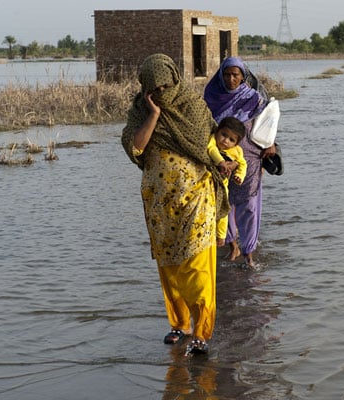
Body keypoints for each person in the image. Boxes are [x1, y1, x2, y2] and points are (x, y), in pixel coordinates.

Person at [121, 53, 230, 356]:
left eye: (165, 86)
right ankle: (180, 324)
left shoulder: (194, 106)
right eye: (154, 89)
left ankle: (202, 332)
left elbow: (206, 146)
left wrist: (223, 164)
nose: (161, 93)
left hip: (196, 199)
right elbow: (136, 148)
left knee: (196, 267)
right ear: (145, 88)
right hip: (159, 205)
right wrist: (153, 115)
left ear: (175, 80)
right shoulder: (139, 112)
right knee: (170, 267)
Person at [203, 56, 277, 268]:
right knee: (222, 202)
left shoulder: (253, 98)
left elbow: (266, 125)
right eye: (227, 74)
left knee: (249, 206)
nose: (231, 79)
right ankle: (232, 245)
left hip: (250, 159)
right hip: (219, 159)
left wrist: (271, 144)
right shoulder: (211, 96)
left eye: (236, 75)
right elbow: (205, 128)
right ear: (221, 75)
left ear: (243, 77)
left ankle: (249, 252)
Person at [207, 116, 247, 248]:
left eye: (231, 140)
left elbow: (242, 164)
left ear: (236, 143)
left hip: (223, 184)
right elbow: (211, 149)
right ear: (217, 131)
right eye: (223, 135)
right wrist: (221, 162)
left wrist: (239, 176)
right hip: (207, 182)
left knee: (223, 211)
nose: (225, 141)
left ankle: (222, 236)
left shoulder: (237, 151)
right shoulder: (212, 139)